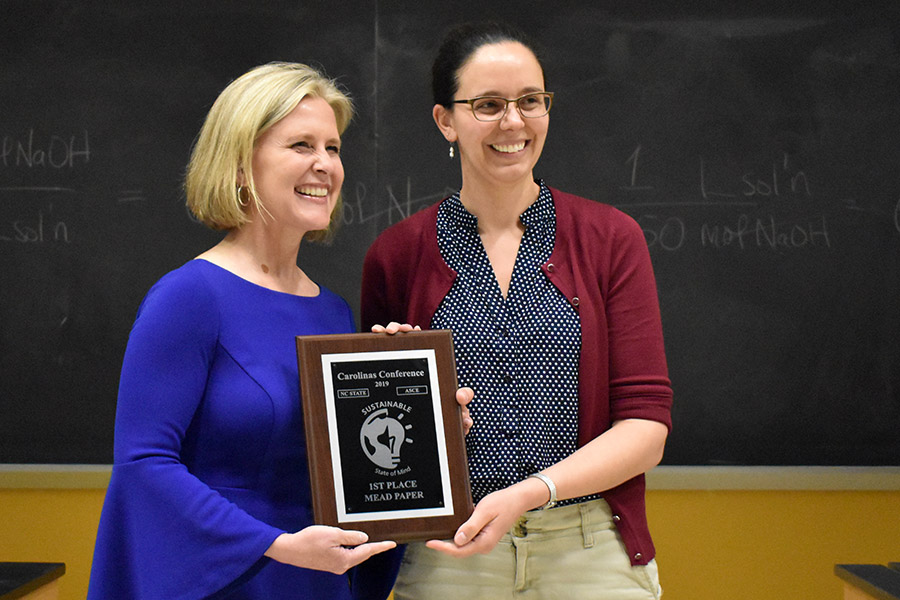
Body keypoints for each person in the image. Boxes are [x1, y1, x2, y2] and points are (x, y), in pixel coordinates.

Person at [87, 62, 469, 600]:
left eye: (333, 149)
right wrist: (276, 545)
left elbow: (350, 474)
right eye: (300, 145)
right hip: (228, 580)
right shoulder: (188, 298)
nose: (325, 165)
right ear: (241, 164)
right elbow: (142, 466)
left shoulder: (332, 313)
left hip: (316, 580)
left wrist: (429, 430)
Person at [361, 22, 673, 599]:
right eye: (488, 105)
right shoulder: (397, 255)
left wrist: (531, 492)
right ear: (445, 121)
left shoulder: (610, 238)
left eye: (531, 101)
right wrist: (413, 409)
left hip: (590, 550)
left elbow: (646, 427)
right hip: (449, 553)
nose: (513, 122)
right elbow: (379, 447)